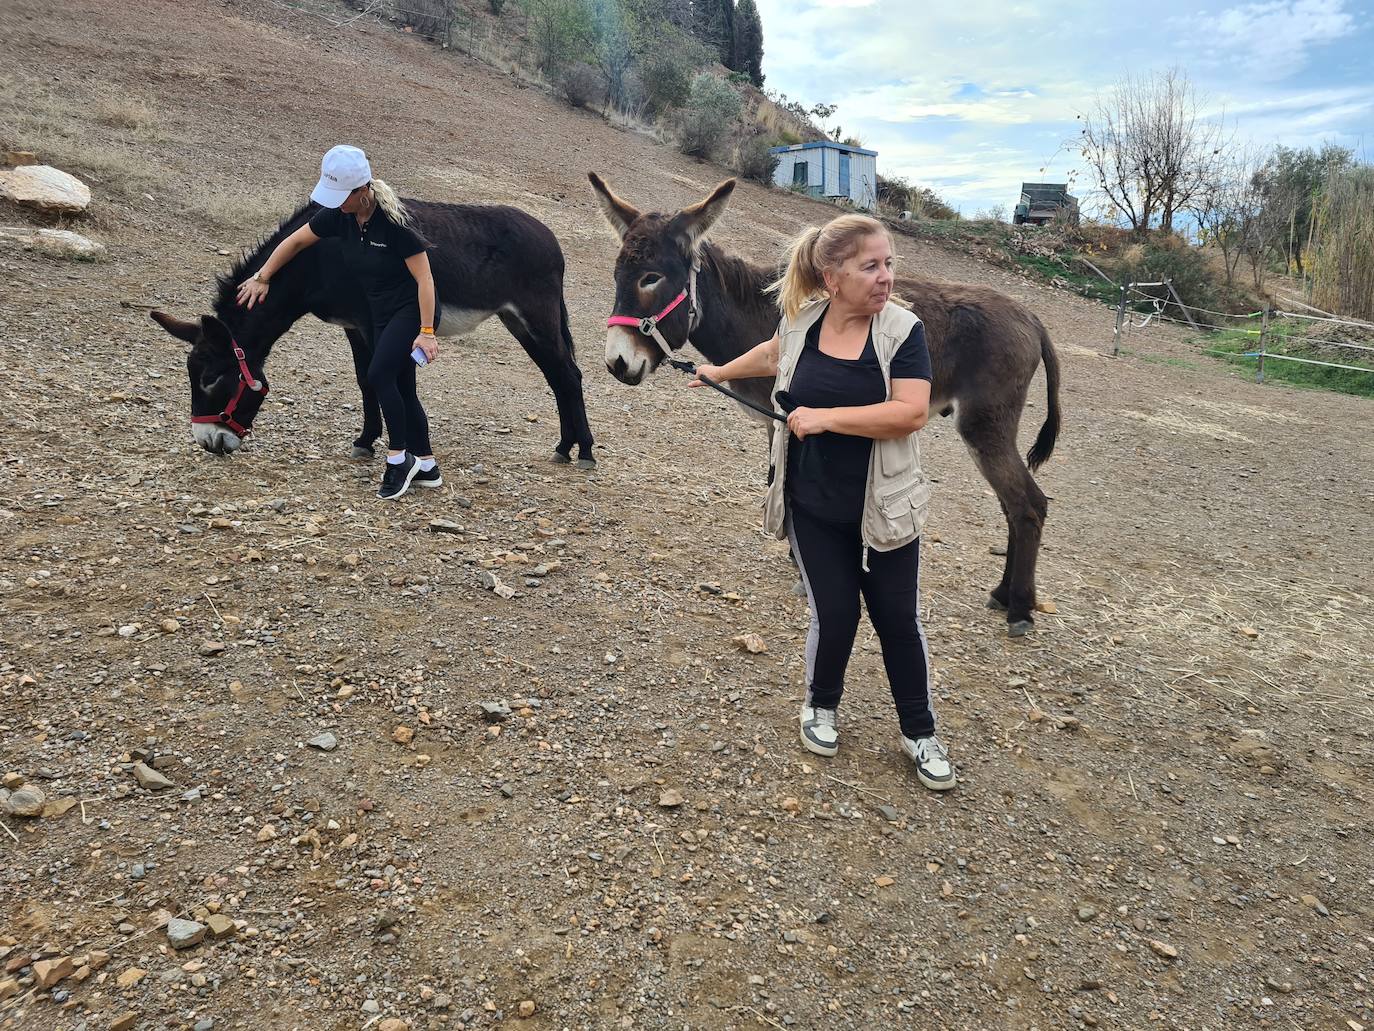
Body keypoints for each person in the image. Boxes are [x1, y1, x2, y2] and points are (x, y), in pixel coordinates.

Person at [691, 214, 954, 791]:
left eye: (888, 264)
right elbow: (771, 355)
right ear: (831, 277)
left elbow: (910, 412)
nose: (885, 277)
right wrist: (717, 370)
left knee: (897, 620)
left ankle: (919, 731)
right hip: (811, 502)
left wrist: (828, 418)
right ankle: (821, 704)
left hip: (884, 505)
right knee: (833, 614)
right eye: (871, 266)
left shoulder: (902, 332)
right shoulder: (805, 319)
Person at [237, 145, 441, 500]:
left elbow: (425, 279)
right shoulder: (340, 216)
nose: (335, 203)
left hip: (411, 311)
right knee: (402, 386)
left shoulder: (395, 223)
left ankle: (398, 459)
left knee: (378, 375)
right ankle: (427, 466)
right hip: (377, 312)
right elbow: (296, 240)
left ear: (363, 191)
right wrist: (263, 276)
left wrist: (426, 333)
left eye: (342, 196)